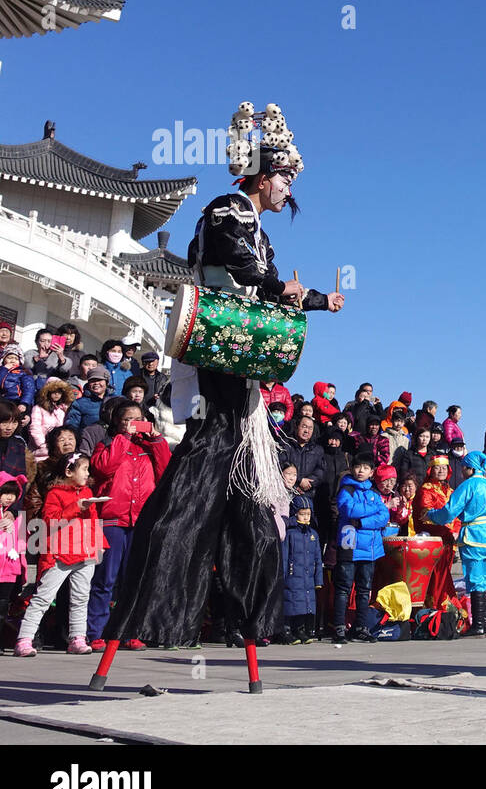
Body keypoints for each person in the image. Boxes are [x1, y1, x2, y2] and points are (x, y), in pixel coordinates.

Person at [103, 101, 345, 654]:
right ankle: (155, 612)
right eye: (285, 177)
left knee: (253, 515)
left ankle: (249, 619)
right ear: (264, 174)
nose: (288, 189)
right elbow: (239, 265)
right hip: (216, 367)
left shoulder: (258, 227)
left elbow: (271, 283)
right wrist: (274, 284)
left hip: (242, 377)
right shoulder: (227, 211)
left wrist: (318, 302)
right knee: (194, 488)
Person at [86, 402, 170, 650]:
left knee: (134, 579)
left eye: (138, 418)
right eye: (127, 419)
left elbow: (166, 472)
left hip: (141, 519)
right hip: (113, 519)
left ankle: (130, 631)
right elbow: (103, 468)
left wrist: (157, 442)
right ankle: (96, 632)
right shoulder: (107, 444)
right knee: (105, 580)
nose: (133, 422)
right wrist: (123, 438)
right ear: (117, 422)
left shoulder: (148, 448)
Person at [14, 452, 103, 656]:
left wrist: (99, 544)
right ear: (69, 471)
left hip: (85, 551)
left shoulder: (88, 491)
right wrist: (76, 507)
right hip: (60, 553)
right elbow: (49, 520)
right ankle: (24, 638)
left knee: (81, 597)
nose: (87, 473)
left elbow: (92, 522)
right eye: (84, 469)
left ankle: (77, 637)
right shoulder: (55, 493)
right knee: (43, 597)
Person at [425, 450, 486, 637]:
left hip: (473, 535)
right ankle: (483, 625)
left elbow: (448, 513)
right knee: (485, 580)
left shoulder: (468, 486)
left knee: (475, 580)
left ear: (469, 468)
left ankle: (478, 626)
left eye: (463, 468)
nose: (461, 471)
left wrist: (430, 514)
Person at [332, 450, 386, 644]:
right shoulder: (347, 490)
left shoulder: (373, 493)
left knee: (365, 590)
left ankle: (360, 627)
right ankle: (338, 627)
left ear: (372, 472)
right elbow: (349, 510)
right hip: (350, 545)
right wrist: (374, 511)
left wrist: (362, 522)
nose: (361, 471)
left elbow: (384, 516)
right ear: (352, 469)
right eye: (358, 467)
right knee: (344, 588)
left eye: (365, 468)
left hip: (370, 548)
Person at [282, 494, 323, 644]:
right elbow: (285, 556)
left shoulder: (314, 535)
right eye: (302, 514)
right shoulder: (290, 534)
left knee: (305, 603)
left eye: (308, 514)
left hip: (308, 576)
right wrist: (283, 575)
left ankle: (300, 629)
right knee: (291, 601)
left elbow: (318, 559)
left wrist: (318, 579)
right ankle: (287, 629)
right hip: (293, 575)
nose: (306, 517)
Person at [0, 477, 25, 632]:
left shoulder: (17, 516)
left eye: (13, 493)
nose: (9, 497)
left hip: (10, 567)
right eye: (5, 492)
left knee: (3, 606)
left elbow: (22, 541)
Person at [30, 378, 74, 461]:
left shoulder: (62, 410)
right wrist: (42, 445)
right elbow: (35, 428)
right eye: (54, 392)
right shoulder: (38, 408)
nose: (57, 394)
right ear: (47, 392)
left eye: (59, 392)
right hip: (41, 451)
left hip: (59, 450)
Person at [64, 366, 109, 433]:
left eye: (99, 380)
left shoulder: (115, 400)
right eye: (92, 380)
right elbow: (72, 427)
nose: (96, 383)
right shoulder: (79, 404)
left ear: (107, 383)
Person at [0, 400, 29, 478]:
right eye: (4, 423)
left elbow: (21, 476)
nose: (9, 428)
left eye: (14, 422)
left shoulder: (19, 444)